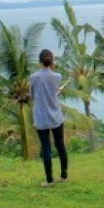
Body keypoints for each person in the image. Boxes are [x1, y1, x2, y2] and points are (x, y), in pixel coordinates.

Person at [29, 48, 68, 186]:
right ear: (52, 61)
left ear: (40, 61)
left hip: (41, 117)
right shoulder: (57, 77)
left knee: (46, 147)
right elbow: (54, 92)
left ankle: (49, 179)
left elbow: (33, 96)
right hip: (56, 116)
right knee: (60, 145)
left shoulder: (34, 77)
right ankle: (64, 176)